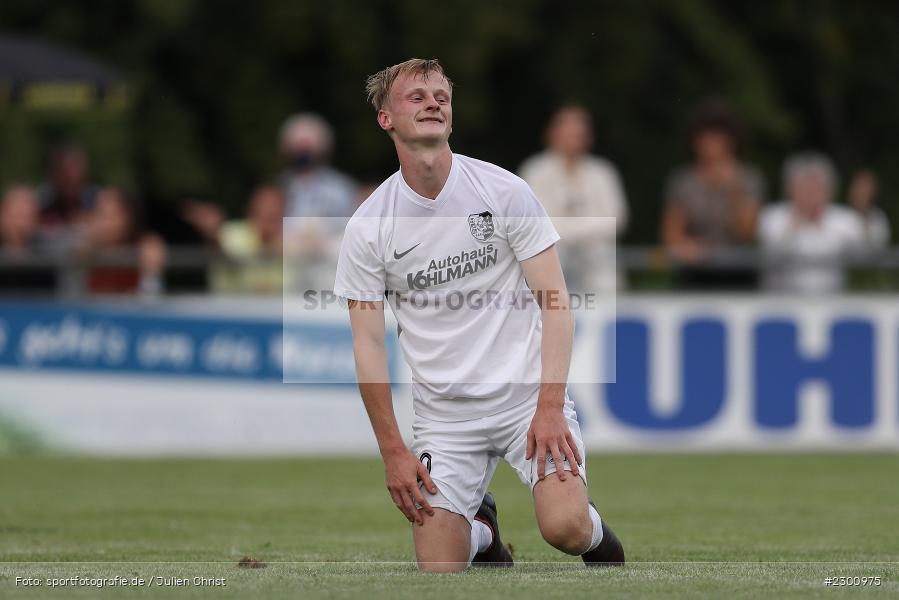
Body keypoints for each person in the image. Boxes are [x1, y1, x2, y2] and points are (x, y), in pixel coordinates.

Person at [334, 59, 624, 572]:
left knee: (564, 530)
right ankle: (482, 533)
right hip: (445, 419)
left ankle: (595, 530)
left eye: (441, 94)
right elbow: (367, 345)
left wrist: (551, 405)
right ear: (385, 118)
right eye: (416, 95)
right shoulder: (368, 226)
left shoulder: (504, 191)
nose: (433, 102)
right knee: (439, 568)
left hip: (526, 400)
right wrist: (394, 452)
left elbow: (556, 301)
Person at [519, 105, 628, 292]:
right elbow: (534, 222)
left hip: (597, 260)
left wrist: (566, 230)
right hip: (550, 256)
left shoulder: (602, 173)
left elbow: (617, 220)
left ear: (589, 137)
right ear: (552, 134)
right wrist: (587, 228)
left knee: (606, 279)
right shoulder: (535, 171)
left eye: (579, 134)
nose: (573, 140)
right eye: (567, 134)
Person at [661, 100, 764, 289]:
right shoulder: (684, 181)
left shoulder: (748, 179)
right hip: (695, 270)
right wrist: (688, 247)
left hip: (738, 270)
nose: (710, 144)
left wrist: (733, 189)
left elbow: (747, 234)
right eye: (705, 137)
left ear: (731, 141)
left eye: (717, 137)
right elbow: (671, 234)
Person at [759, 153, 889, 294]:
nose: (811, 192)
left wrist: (863, 210)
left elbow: (873, 248)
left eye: (817, 186)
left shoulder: (841, 218)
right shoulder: (773, 216)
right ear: (790, 188)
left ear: (829, 191)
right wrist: (798, 219)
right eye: (804, 185)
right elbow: (773, 252)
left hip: (830, 307)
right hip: (781, 306)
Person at [77, 187, 166, 296]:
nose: (99, 222)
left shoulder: (145, 244)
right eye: (96, 213)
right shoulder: (86, 244)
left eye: (105, 215)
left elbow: (151, 295)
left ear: (127, 217)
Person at [210, 184, 286, 294]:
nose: (271, 211)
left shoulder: (293, 240)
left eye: (276, 209)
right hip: (235, 307)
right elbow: (218, 243)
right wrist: (212, 235)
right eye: (265, 208)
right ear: (252, 211)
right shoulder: (235, 233)